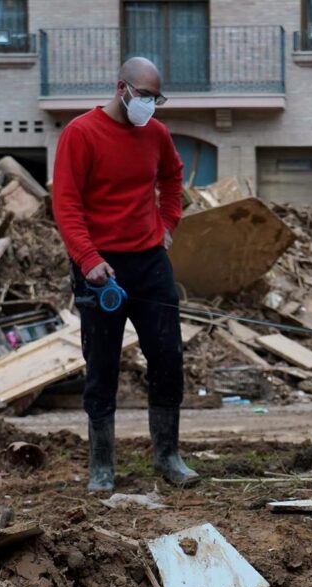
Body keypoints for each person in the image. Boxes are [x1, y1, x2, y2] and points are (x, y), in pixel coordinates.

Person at [53, 57, 197, 491]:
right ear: (122, 88)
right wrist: (88, 258)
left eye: (157, 98)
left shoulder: (156, 134)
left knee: (168, 357)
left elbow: (173, 180)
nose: (150, 105)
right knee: (102, 365)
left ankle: (168, 455)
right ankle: (101, 466)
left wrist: (168, 225)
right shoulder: (81, 134)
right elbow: (66, 204)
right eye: (144, 96)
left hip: (150, 262)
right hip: (101, 268)